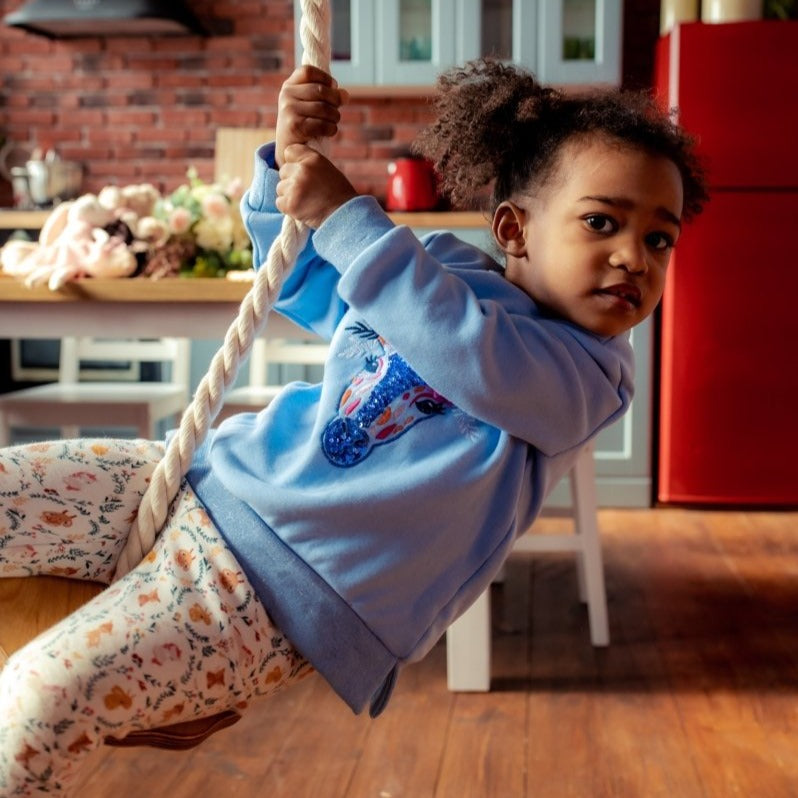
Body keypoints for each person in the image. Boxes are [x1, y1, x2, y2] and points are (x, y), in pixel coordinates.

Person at [0, 58, 708, 795]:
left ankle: (165, 682)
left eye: (661, 240)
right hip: (204, 483)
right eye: (602, 222)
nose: (634, 257)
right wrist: (287, 164)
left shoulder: (590, 376)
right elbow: (303, 280)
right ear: (514, 228)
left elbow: (471, 353)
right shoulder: (438, 268)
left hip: (275, 597)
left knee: (36, 700)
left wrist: (352, 218)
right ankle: (154, 683)